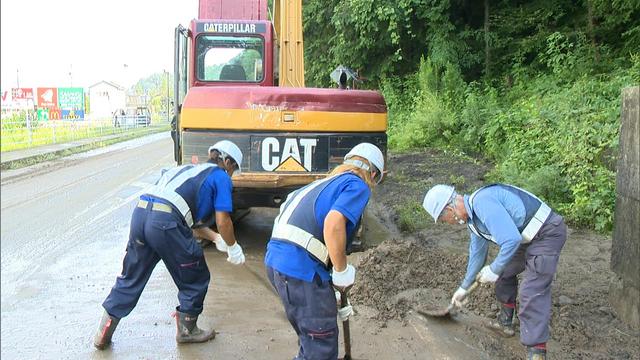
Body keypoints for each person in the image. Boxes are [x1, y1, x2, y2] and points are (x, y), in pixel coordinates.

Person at [93, 140, 246, 350]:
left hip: (142, 213)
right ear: (227, 161)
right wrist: (233, 246)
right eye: (233, 168)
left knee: (131, 276)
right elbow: (223, 220)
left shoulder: (186, 170)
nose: (232, 174)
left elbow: (184, 219)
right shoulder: (220, 177)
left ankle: (103, 331)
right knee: (195, 275)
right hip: (165, 222)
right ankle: (187, 330)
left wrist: (216, 239)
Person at [264, 143, 384, 360]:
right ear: (373, 174)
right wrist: (341, 270)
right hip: (300, 270)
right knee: (321, 345)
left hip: (277, 265)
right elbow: (333, 225)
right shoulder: (358, 184)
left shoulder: (317, 185)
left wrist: (334, 291)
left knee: (310, 340)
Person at [422, 183, 567, 360]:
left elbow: (511, 239)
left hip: (546, 233)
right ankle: (505, 322)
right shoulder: (473, 222)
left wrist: (494, 268)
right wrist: (463, 288)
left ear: (450, 208)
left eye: (445, 219)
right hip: (524, 238)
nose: (449, 223)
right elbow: (477, 256)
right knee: (504, 272)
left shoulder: (483, 202)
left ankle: (537, 352)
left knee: (531, 291)